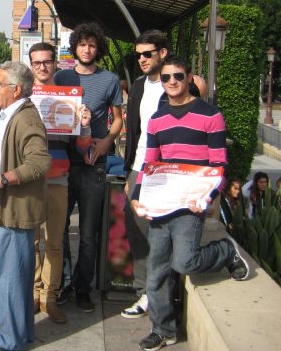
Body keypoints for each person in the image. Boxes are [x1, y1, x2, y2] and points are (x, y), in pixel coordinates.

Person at [130, 55, 250, 351]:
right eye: (167, 77)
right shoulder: (157, 119)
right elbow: (150, 162)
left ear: (189, 78)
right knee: (156, 269)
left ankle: (225, 251)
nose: (172, 82)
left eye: (178, 76)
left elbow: (219, 164)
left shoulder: (210, 115)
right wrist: (137, 196)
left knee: (184, 262)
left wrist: (207, 197)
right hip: (161, 203)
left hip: (190, 203)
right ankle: (162, 330)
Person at [122, 29, 209, 319]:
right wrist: (129, 174)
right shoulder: (137, 86)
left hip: (172, 172)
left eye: (148, 53)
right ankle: (144, 293)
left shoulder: (181, 83)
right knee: (138, 232)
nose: (142, 59)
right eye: (138, 55)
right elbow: (134, 132)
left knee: (167, 236)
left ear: (162, 52)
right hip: (140, 168)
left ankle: (165, 296)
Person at [0, 61, 52, 351]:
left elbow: (40, 162)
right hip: (7, 206)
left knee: (8, 278)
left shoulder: (25, 118)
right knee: (15, 276)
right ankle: (20, 335)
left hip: (14, 209)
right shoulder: (12, 113)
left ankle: (9, 343)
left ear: (15, 89)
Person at [54, 22, 124, 311]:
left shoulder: (110, 79)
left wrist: (107, 142)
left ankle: (83, 287)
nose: (87, 49)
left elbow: (118, 118)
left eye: (92, 45)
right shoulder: (61, 77)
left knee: (88, 231)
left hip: (93, 161)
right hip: (62, 159)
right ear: (75, 47)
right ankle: (65, 282)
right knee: (58, 229)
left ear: (99, 48)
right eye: (82, 44)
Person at [27, 42, 92, 324]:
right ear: (31, 66)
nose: (42, 67)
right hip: (28, 181)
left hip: (58, 178)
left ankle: (49, 298)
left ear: (56, 64)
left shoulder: (70, 99)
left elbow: (82, 145)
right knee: (31, 242)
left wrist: (85, 124)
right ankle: (32, 293)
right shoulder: (22, 98)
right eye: (37, 62)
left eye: (47, 61)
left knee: (54, 242)